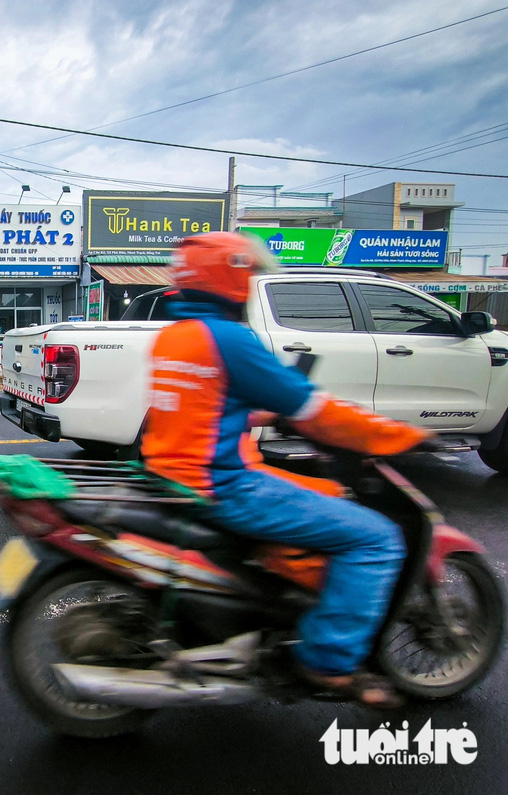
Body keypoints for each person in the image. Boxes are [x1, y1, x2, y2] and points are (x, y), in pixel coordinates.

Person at [141, 232, 428, 709]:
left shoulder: (174, 337)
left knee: (325, 492)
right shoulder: (230, 339)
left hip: (171, 473)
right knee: (376, 537)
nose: (252, 282)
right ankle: (329, 661)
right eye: (247, 273)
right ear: (230, 275)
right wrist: (400, 435)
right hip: (222, 484)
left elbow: (204, 406)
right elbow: (315, 412)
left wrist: (261, 412)